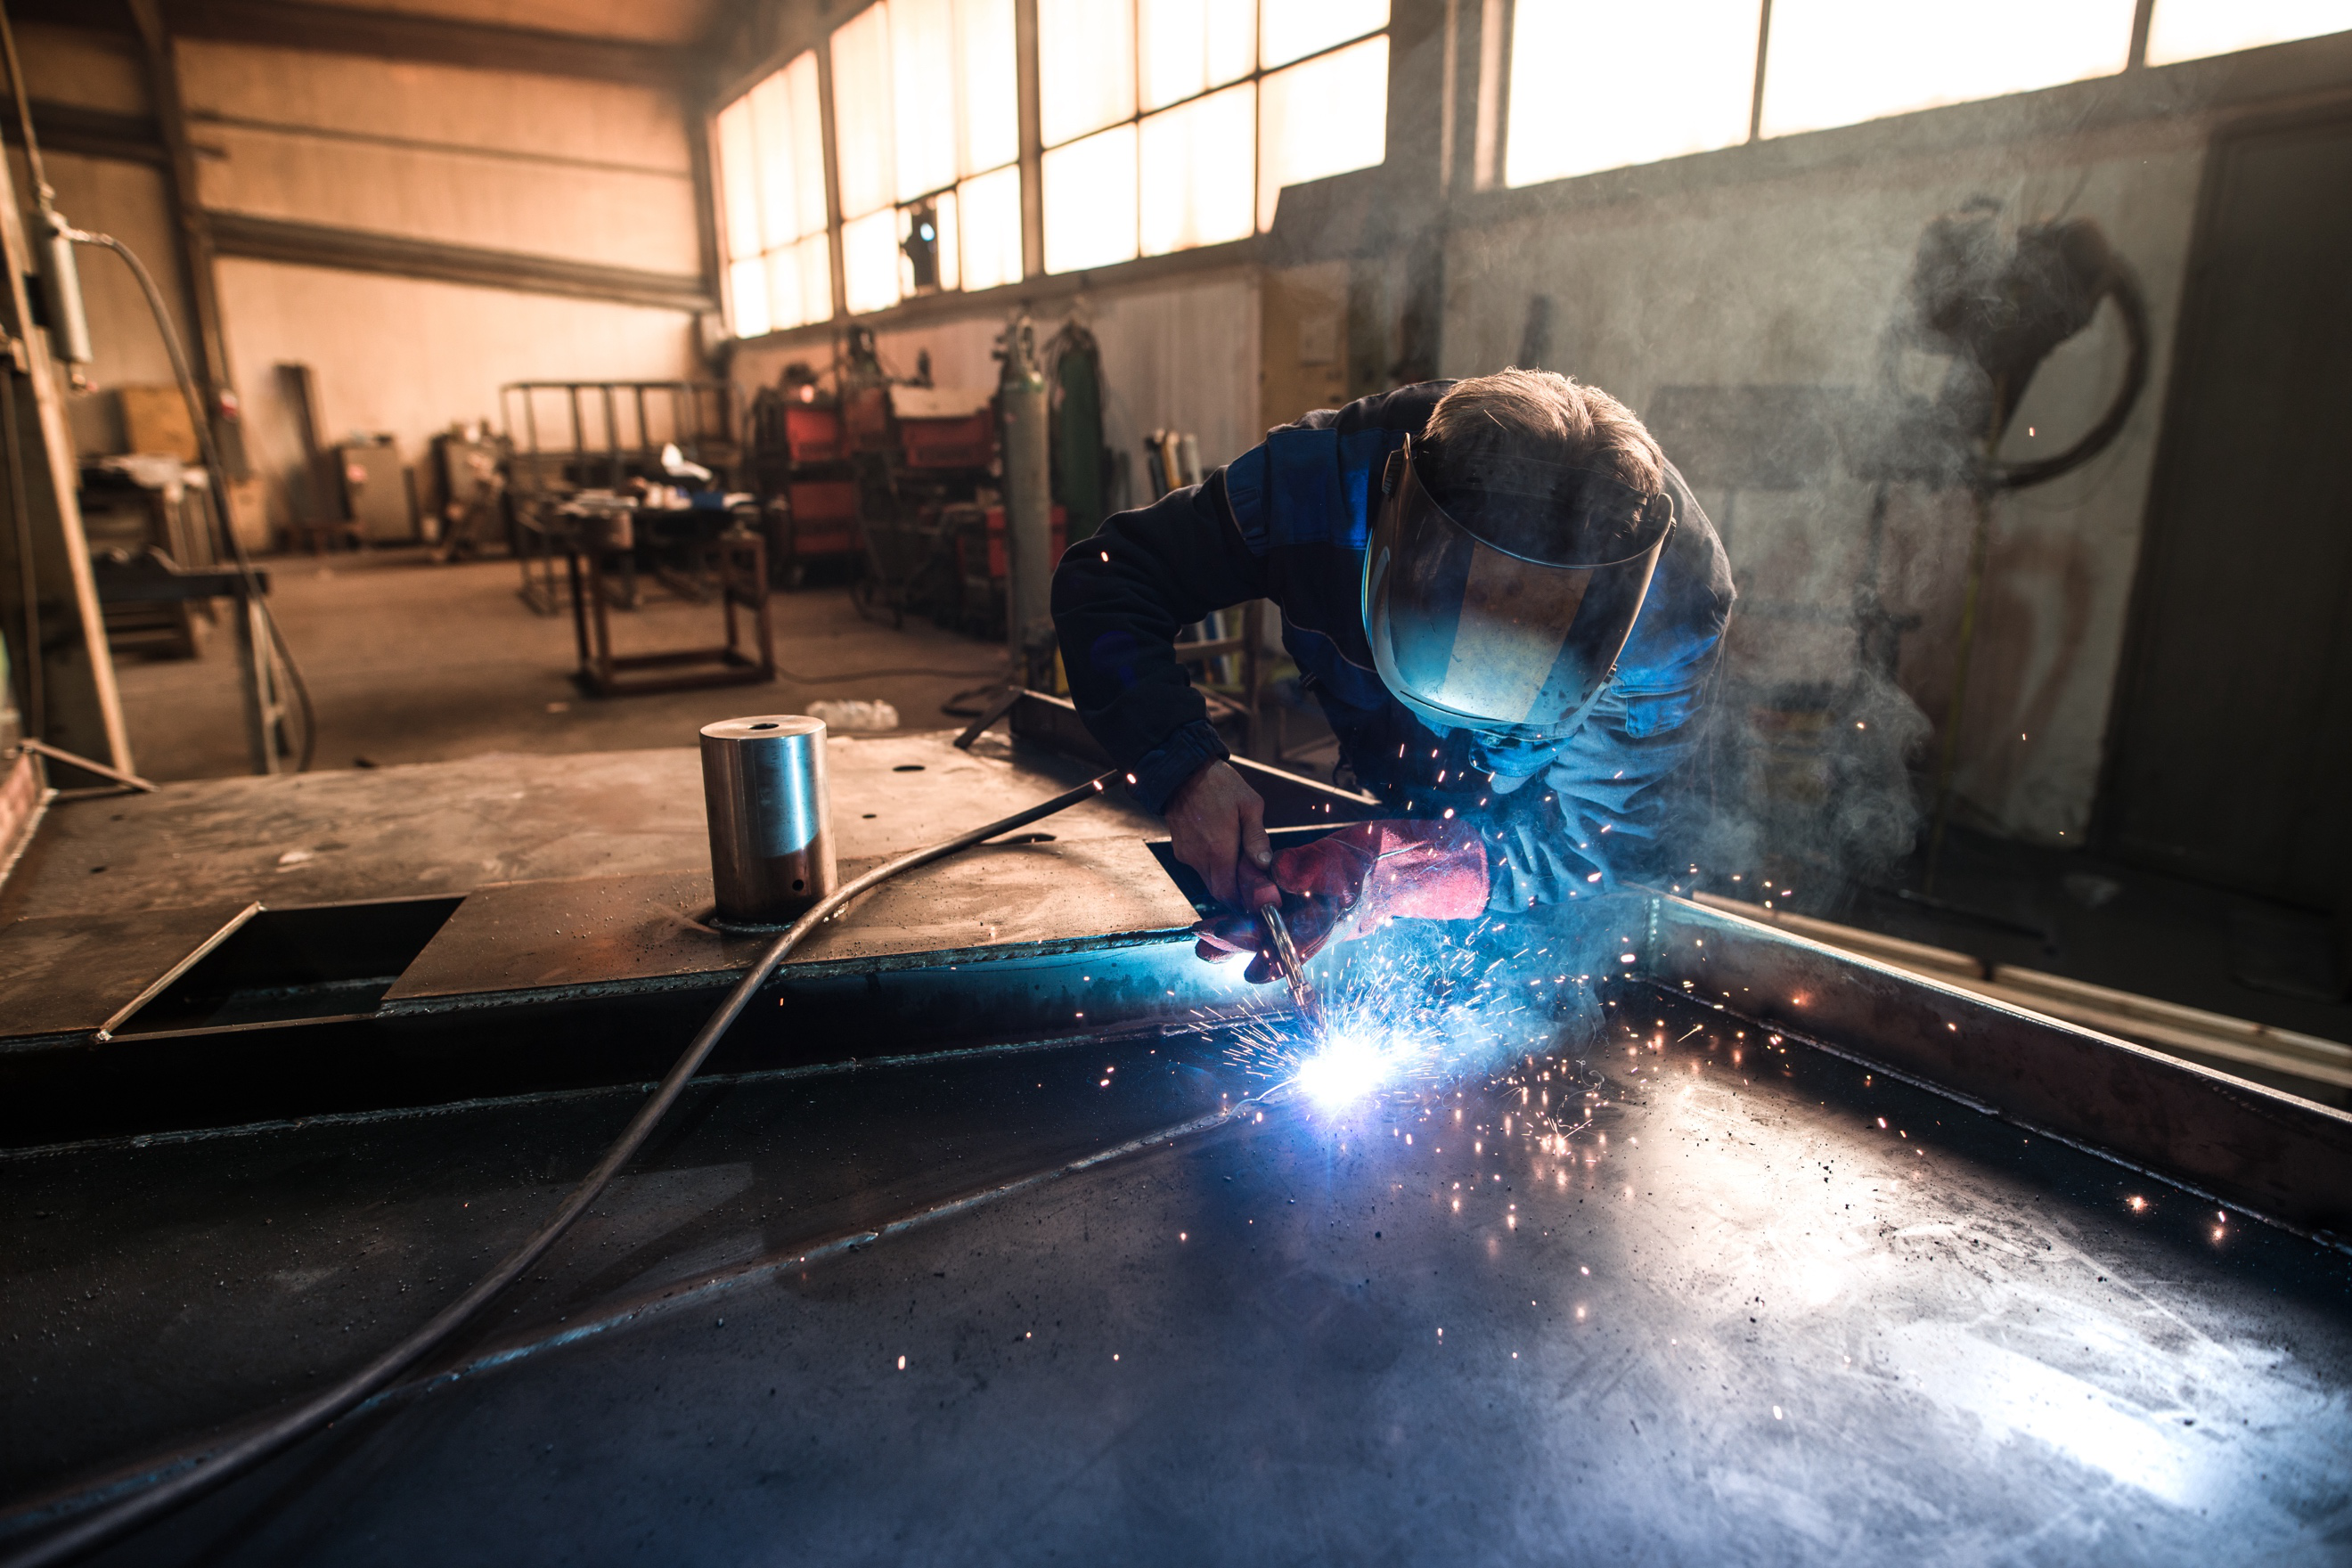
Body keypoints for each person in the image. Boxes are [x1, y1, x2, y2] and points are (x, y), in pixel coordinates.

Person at [1050, 370, 1734, 980]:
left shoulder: (1668, 611)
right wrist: (1184, 770)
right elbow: (1109, 582)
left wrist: (1394, 877)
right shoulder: (1322, 485)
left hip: (1543, 860)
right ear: (1390, 538)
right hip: (1387, 756)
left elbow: (1599, 843)